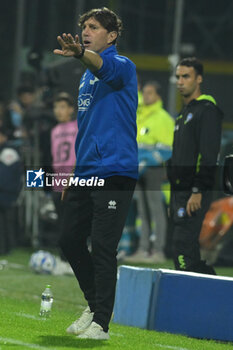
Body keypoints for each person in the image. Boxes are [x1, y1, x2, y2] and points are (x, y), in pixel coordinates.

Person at [53, 7, 138, 340]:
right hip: (85, 171)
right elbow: (86, 129)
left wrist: (81, 54)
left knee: (103, 246)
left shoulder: (121, 66)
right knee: (68, 240)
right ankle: (93, 304)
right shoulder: (86, 75)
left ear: (112, 35)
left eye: (93, 27)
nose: (85, 31)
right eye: (83, 27)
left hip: (115, 170)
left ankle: (102, 323)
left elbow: (104, 68)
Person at [167, 57, 223, 275]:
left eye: (186, 76)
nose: (180, 81)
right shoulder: (183, 114)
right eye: (178, 77)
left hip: (194, 192)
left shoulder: (206, 110)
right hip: (180, 193)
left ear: (199, 79)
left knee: (182, 249)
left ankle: (208, 292)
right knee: (182, 250)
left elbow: (209, 155)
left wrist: (198, 191)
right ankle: (213, 289)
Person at [125, 81, 174, 263]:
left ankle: (158, 251)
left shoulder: (163, 118)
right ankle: (143, 249)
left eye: (150, 93)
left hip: (152, 170)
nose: (146, 96)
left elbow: (166, 149)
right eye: (144, 93)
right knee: (142, 212)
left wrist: (145, 162)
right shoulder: (140, 116)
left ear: (158, 96)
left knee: (156, 211)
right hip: (137, 169)